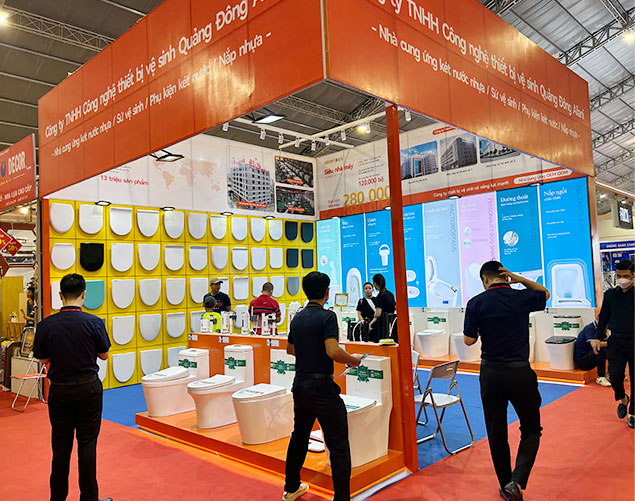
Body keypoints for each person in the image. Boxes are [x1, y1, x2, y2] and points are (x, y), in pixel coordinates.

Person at [463, 261, 549, 501]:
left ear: (484, 279)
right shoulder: (521, 297)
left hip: (491, 374)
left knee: (496, 431)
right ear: (505, 276)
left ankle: (505, 484)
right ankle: (517, 481)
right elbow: (544, 293)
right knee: (531, 428)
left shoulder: (476, 303)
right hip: (520, 372)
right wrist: (519, 279)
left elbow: (469, 340)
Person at [33, 273, 112, 501]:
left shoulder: (46, 325)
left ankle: (57, 498)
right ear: (84, 294)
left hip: (59, 390)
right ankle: (89, 498)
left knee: (60, 446)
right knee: (87, 444)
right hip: (88, 389)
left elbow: (43, 359)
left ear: (60, 295)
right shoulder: (95, 322)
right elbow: (104, 355)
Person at [283, 271, 362, 501]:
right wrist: (353, 360)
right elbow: (333, 350)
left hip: (300, 385)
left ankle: (291, 488)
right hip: (322, 388)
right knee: (338, 446)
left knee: (299, 436)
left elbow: (290, 349)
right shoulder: (328, 317)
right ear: (327, 292)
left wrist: (309, 352)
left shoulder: (297, 317)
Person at [591, 259, 634, 428]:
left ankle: (633, 413)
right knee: (615, 376)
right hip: (616, 341)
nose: (623, 279)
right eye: (619, 275)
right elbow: (603, 318)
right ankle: (623, 398)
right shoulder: (610, 295)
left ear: (633, 276)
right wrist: (596, 337)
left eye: (626, 276)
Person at [574, 321, 610, 386]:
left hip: (590, 356)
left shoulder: (601, 329)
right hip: (582, 360)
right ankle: (600, 377)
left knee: (612, 349)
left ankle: (610, 373)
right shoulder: (589, 328)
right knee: (600, 350)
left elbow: (605, 339)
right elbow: (594, 345)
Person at [369, 274, 396, 343]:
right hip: (392, 322)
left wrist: (370, 323)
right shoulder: (390, 294)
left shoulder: (380, 296)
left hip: (382, 325)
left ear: (375, 283)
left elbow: (378, 314)